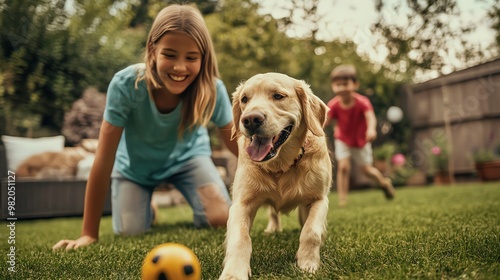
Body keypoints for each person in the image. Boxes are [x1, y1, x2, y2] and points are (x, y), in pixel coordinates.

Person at [53, 4, 238, 250]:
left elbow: (236, 144)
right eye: (169, 55)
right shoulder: (126, 84)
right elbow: (103, 160)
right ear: (153, 50)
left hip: (190, 160)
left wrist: (276, 167)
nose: (180, 67)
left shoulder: (212, 89)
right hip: (135, 170)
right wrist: (88, 234)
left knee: (221, 218)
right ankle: (145, 204)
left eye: (191, 57)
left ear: (203, 58)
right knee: (131, 231)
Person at [324, 65, 395, 207]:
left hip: (361, 141)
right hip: (342, 139)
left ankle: (384, 183)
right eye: (338, 85)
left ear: (355, 84)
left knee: (367, 170)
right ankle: (343, 199)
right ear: (333, 86)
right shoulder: (334, 105)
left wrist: (371, 130)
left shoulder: (362, 102)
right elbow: (325, 121)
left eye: (345, 84)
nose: (342, 88)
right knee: (343, 167)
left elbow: (370, 117)